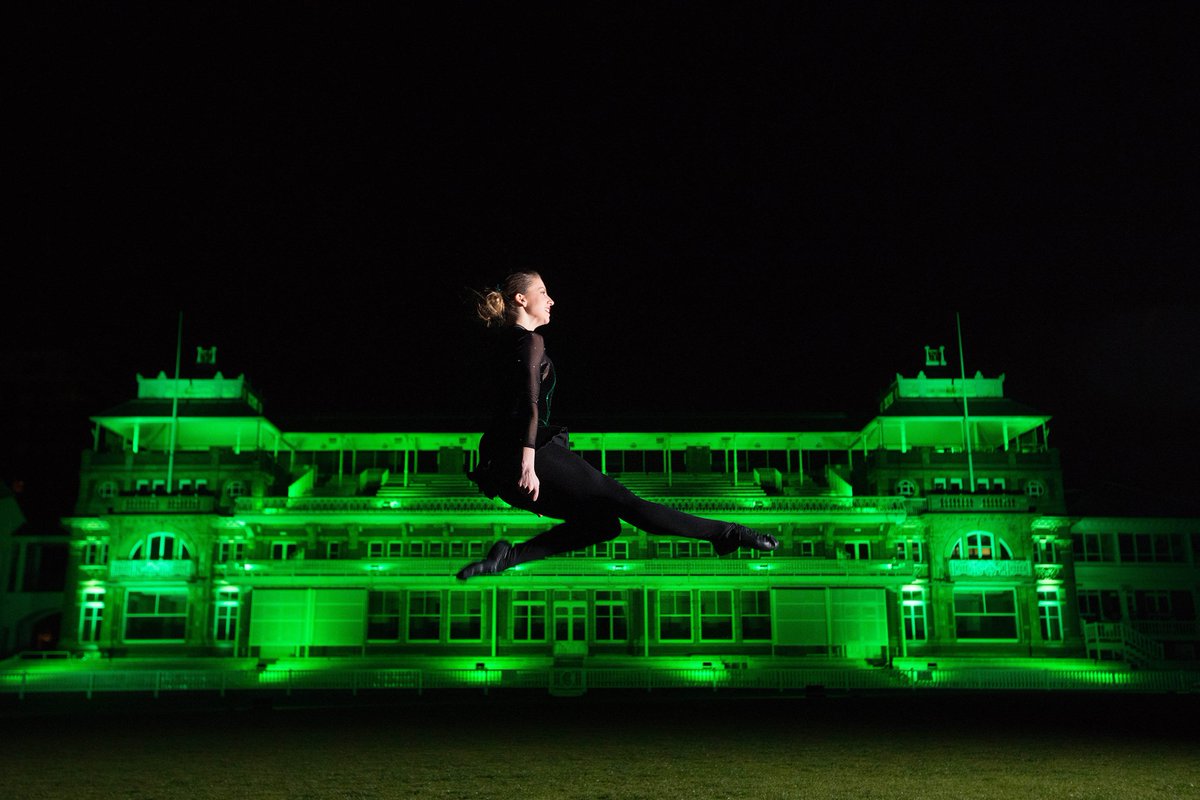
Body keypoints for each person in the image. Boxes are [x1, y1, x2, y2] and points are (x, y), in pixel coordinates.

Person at [457, 271, 777, 580]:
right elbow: (529, 404)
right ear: (521, 299)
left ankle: (507, 558)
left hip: (501, 463)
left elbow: (504, 412)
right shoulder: (529, 341)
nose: (551, 300)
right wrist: (528, 465)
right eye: (542, 292)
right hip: (527, 453)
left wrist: (525, 477)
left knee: (604, 525)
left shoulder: (502, 346)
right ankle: (728, 532)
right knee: (626, 503)